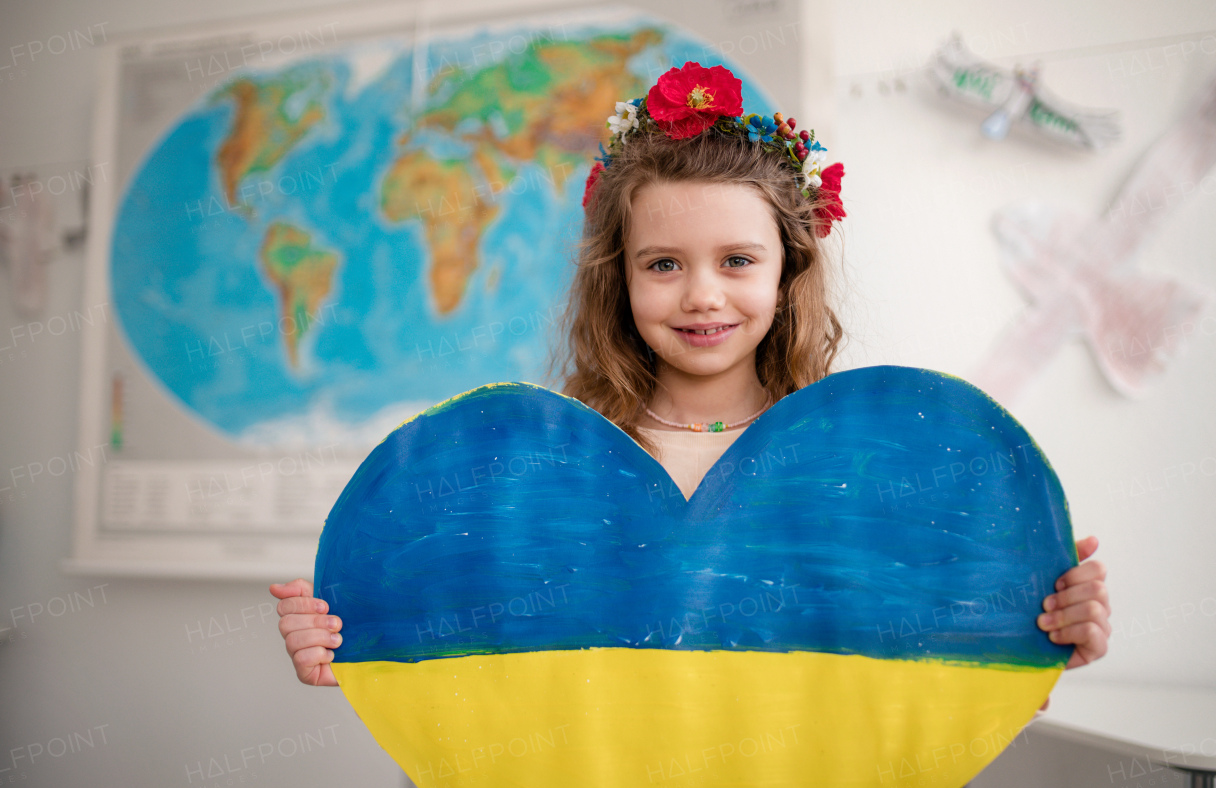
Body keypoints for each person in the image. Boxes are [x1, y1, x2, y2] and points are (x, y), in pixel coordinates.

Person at [271, 62, 1111, 698]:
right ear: (620, 278)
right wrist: (352, 638)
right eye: (663, 263)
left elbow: (936, 667)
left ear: (788, 270)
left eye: (737, 260)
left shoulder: (857, 466)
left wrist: (1038, 626)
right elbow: (490, 647)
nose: (702, 293)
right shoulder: (556, 472)